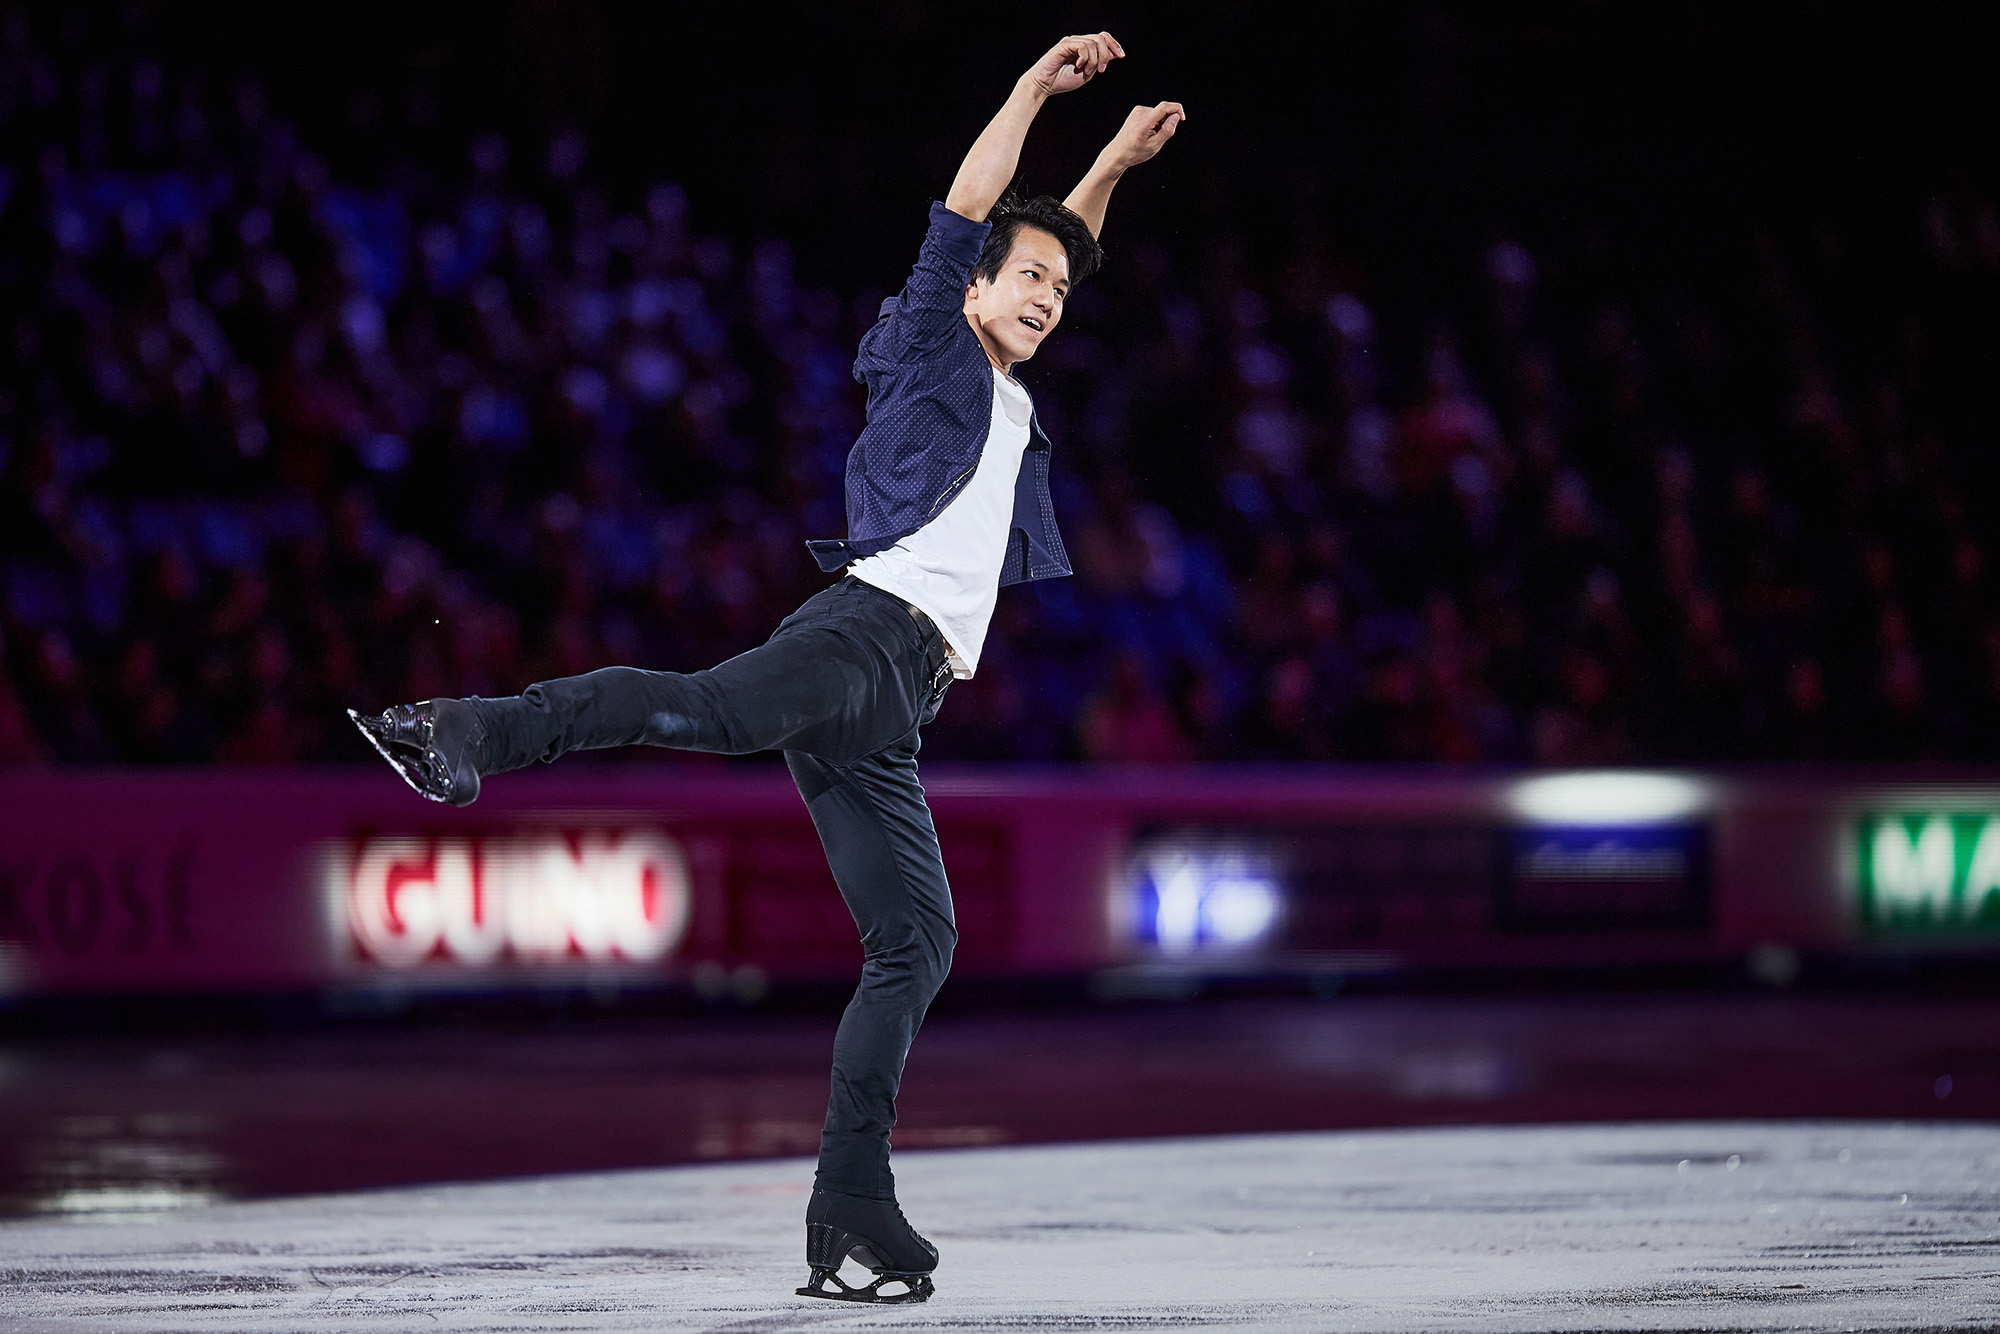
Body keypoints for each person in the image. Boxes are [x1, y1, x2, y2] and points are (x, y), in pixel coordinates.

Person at [350, 32, 1182, 1304]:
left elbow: (1044, 239)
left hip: (896, 697)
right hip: (861, 636)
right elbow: (973, 219)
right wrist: (1030, 93)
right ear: (969, 289)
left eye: (1057, 295)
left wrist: (1113, 160)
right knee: (703, 709)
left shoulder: (1009, 377)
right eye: (1021, 283)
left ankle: (849, 1201)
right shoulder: (931, 344)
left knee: (916, 938)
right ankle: (461, 728)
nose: (1042, 297)